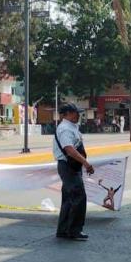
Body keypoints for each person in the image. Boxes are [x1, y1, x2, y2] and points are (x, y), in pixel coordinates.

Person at [53, 103, 94, 241]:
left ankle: (64, 230)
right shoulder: (65, 129)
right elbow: (69, 149)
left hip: (71, 166)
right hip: (68, 167)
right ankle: (74, 230)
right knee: (78, 197)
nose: (78, 115)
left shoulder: (71, 127)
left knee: (69, 200)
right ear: (68, 114)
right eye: (76, 113)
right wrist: (86, 163)